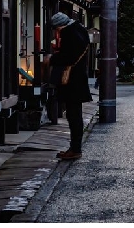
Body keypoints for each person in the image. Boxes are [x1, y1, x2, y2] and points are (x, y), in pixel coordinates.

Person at [48, 12, 92, 160]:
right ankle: (74, 147)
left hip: (73, 79)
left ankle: (75, 148)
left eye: (57, 29)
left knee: (73, 115)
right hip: (77, 78)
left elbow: (69, 56)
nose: (57, 32)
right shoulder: (79, 29)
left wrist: (52, 58)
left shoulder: (69, 33)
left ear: (60, 26)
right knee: (74, 114)